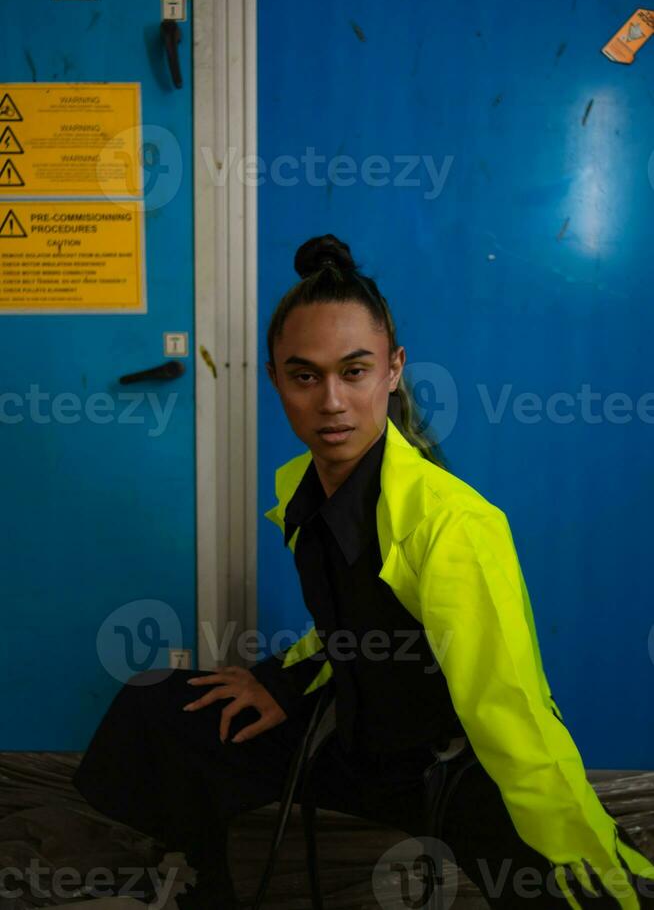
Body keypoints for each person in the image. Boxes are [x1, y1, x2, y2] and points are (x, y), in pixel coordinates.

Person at [73, 234, 654, 910]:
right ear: (275, 379)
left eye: (354, 371)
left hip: (445, 766)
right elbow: (346, 627)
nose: (332, 403)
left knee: (574, 890)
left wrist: (571, 835)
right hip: (349, 735)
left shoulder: (451, 525)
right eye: (304, 375)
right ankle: (200, 885)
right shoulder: (300, 489)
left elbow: (511, 706)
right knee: (163, 711)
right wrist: (281, 683)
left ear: (393, 369)